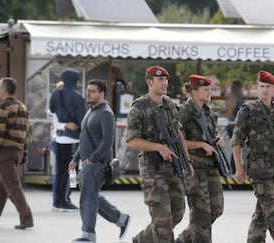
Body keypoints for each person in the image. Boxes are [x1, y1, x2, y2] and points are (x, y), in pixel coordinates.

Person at [126, 65, 194, 243]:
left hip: (173, 167)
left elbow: (178, 134)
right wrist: (158, 147)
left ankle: (142, 239)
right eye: (160, 79)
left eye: (166, 79)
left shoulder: (170, 105)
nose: (165, 83)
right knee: (162, 222)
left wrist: (188, 162)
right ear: (149, 82)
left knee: (177, 213)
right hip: (152, 169)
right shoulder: (139, 107)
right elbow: (132, 141)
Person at [232, 70, 274, 243]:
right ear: (257, 87)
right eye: (261, 86)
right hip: (259, 170)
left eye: (268, 87)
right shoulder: (248, 110)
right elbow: (237, 141)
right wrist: (238, 168)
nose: (265, 90)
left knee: (262, 214)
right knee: (272, 214)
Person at [69, 79, 130, 243]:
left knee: (87, 198)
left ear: (101, 94)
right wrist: (75, 159)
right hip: (86, 162)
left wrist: (92, 159)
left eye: (92, 91)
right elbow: (83, 138)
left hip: (96, 164)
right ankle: (121, 219)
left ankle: (88, 235)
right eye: (87, 90)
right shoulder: (91, 111)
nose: (87, 93)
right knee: (91, 196)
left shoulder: (106, 113)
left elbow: (107, 141)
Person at [176, 74, 224, 243]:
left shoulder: (209, 112)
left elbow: (208, 137)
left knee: (216, 209)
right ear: (195, 92)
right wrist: (201, 145)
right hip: (195, 169)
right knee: (201, 215)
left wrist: (216, 141)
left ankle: (183, 240)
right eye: (206, 89)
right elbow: (178, 143)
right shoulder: (183, 112)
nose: (210, 91)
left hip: (211, 167)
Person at [0, 77, 33, 229]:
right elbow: (25, 133)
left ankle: (26, 218)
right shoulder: (22, 106)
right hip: (16, 152)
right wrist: (24, 153)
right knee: (4, 187)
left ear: (4, 89)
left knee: (13, 186)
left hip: (4, 153)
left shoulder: (2, 107)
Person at [49, 68, 86, 211]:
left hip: (58, 138)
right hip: (73, 140)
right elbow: (82, 120)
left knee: (59, 172)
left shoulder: (55, 93)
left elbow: (51, 110)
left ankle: (56, 202)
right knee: (71, 172)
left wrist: (62, 124)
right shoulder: (77, 96)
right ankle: (65, 201)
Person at [225, 81, 244, 173]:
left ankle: (232, 168)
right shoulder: (240, 101)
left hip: (230, 126)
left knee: (234, 149)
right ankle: (235, 169)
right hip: (237, 127)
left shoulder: (230, 99)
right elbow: (241, 115)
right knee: (237, 149)